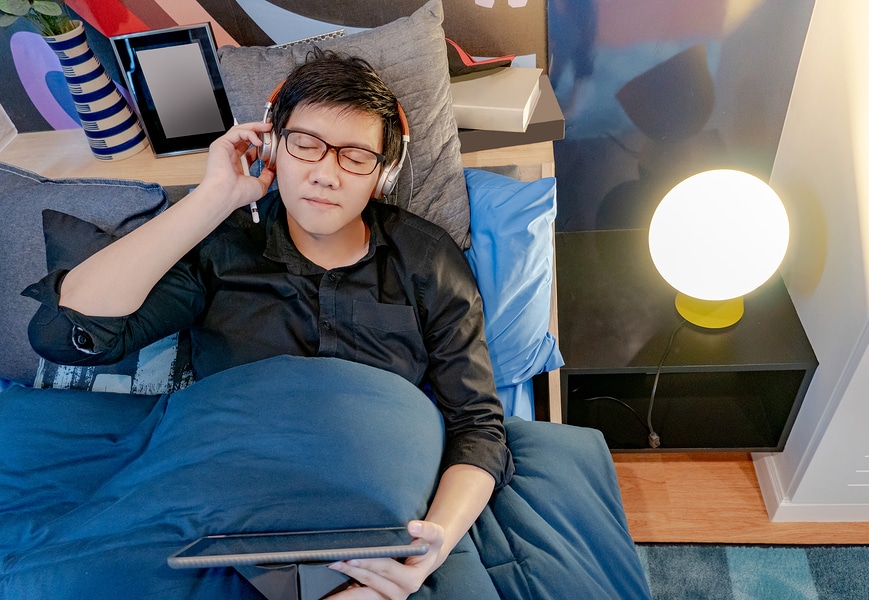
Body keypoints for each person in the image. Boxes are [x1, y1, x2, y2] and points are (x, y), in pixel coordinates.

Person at [25, 48, 513, 599]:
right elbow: (67, 334)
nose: (326, 173)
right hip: (225, 510)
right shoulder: (222, 245)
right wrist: (212, 198)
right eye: (306, 144)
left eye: (355, 156)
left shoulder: (426, 259)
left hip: (385, 521)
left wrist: (431, 548)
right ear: (272, 145)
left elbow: (478, 429)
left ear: (383, 174)